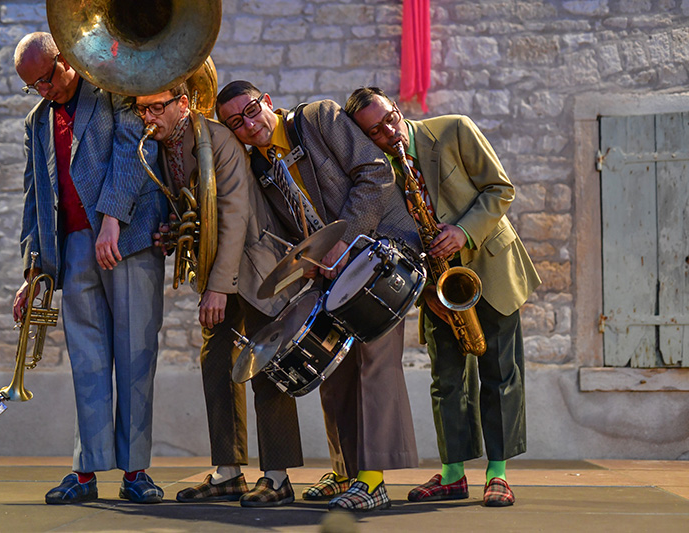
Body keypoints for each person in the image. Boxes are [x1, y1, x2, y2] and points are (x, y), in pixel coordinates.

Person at [217, 81, 421, 512]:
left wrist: (342, 243)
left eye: (252, 110)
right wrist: (308, 261)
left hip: (384, 245)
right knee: (337, 369)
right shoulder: (259, 166)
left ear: (267, 101)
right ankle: (348, 473)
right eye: (236, 122)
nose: (249, 124)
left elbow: (375, 174)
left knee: (374, 361)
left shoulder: (318, 118)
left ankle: (374, 481)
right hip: (334, 267)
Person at [345, 86, 541, 507]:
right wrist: (424, 292)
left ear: (398, 108)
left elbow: (499, 189)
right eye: (376, 132)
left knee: (500, 374)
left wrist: (463, 232)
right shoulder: (378, 172)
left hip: (489, 266)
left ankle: (498, 473)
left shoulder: (454, 130)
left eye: (390, 119)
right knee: (447, 380)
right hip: (438, 285)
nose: (389, 132)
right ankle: (453, 473)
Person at [117, 82, 306, 507]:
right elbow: (189, 206)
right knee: (216, 365)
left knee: (265, 367)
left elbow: (235, 212)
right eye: (142, 110)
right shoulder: (164, 147)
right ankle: (228, 471)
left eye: (156, 108)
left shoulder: (217, 138)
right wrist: (171, 229)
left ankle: (277, 477)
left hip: (256, 268)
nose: (148, 118)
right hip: (217, 271)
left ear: (183, 105)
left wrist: (217, 288)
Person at [12, 32, 167, 505]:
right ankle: (85, 472)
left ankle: (136, 472)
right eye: (34, 86)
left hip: (128, 240)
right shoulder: (36, 122)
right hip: (75, 248)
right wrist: (32, 272)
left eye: (48, 79)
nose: (45, 91)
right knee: (88, 363)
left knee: (136, 357)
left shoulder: (113, 90)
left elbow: (134, 153)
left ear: (66, 59)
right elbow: (34, 196)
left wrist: (111, 221)